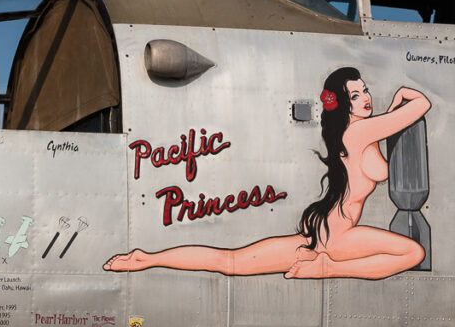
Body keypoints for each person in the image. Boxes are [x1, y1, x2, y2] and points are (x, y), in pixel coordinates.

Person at [104, 67, 429, 279]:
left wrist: (388, 110)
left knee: (229, 262)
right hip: (339, 239)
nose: (366, 98)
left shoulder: (354, 131)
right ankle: (325, 268)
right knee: (413, 252)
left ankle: (145, 258)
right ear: (343, 103)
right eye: (355, 95)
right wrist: (401, 96)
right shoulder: (360, 133)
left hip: (317, 235)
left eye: (366, 90)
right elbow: (422, 104)